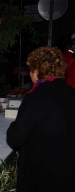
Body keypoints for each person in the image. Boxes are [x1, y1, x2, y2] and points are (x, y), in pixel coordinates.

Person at [7, 46, 75, 192]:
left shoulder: (35, 98)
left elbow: (17, 137)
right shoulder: (71, 93)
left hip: (42, 175)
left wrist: (14, 125)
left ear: (37, 71)